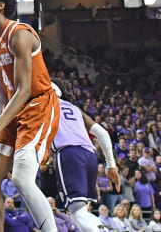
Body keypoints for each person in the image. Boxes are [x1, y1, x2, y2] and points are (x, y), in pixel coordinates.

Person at [0, 0, 60, 232]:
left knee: (21, 178)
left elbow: (22, 90)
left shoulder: (20, 34)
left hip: (38, 105)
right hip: (13, 110)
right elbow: (3, 96)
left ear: (0, 6)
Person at [49, 78, 120, 232]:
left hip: (69, 154)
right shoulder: (75, 109)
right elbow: (102, 132)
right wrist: (111, 165)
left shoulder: (44, 103)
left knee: (76, 212)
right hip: (90, 155)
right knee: (82, 211)